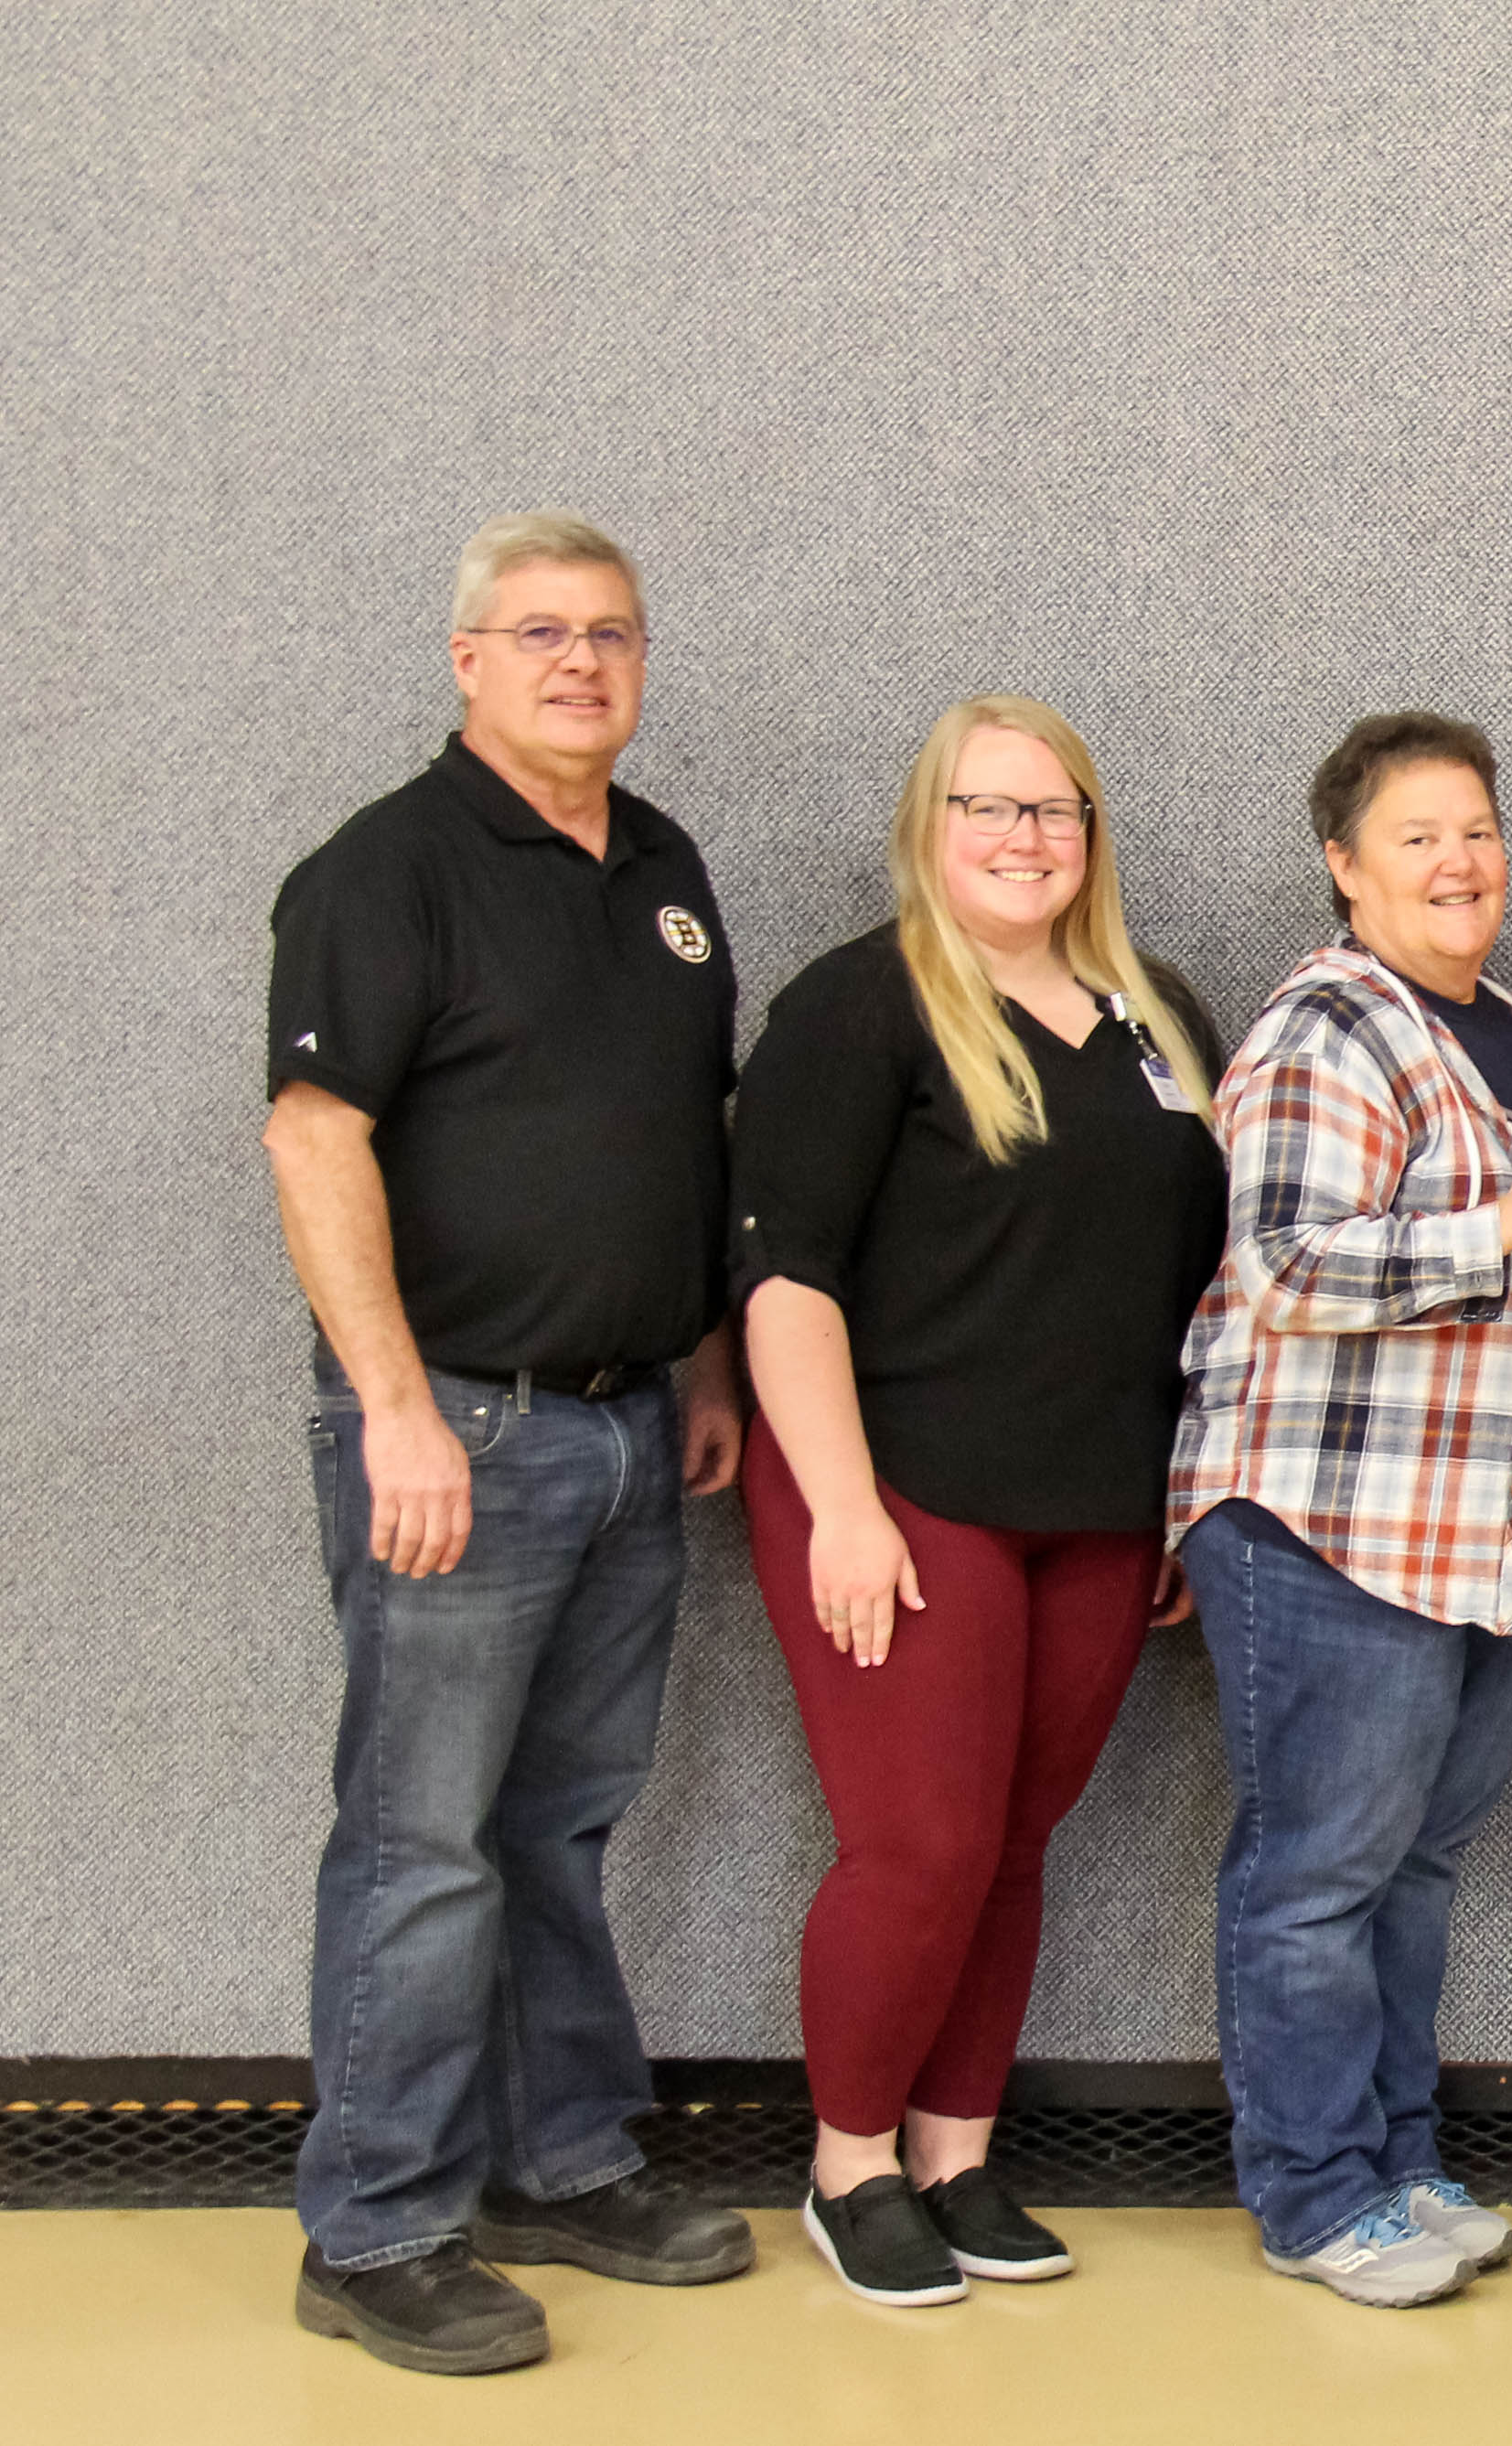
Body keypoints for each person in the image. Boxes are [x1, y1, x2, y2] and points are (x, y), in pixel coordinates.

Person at [263, 512, 754, 2375]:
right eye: (539, 632)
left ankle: (556, 2154)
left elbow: (678, 1135)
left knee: (558, 1822)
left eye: (611, 633)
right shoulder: (386, 871)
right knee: (422, 1840)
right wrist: (395, 1405)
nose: (579, 662)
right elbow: (315, 1137)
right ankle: (376, 2222)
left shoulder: (661, 860)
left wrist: (698, 1365)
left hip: (633, 1427)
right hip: (456, 1429)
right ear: (466, 658)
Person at [733, 696, 1228, 2307]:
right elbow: (785, 1278)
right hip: (900, 1494)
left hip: (1093, 1511)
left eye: (1056, 811)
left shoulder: (1160, 1023)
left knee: (1014, 1844)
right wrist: (845, 1508)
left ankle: (954, 2150)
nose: (1025, 839)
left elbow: (1190, 1284)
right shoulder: (862, 1006)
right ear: (927, 827)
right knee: (920, 1843)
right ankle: (849, 2164)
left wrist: (1173, 1506)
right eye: (987, 808)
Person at [1167, 712, 1512, 2310]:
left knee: (1414, 1866)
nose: (1460, 859)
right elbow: (1289, 1261)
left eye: (1480, 828)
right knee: (1318, 1870)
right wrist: (1499, 1219)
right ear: (1346, 864)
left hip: (1492, 1534)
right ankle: (1310, 2191)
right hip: (1336, 1530)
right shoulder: (1328, 1027)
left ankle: (1397, 2155)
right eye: (1420, 834)